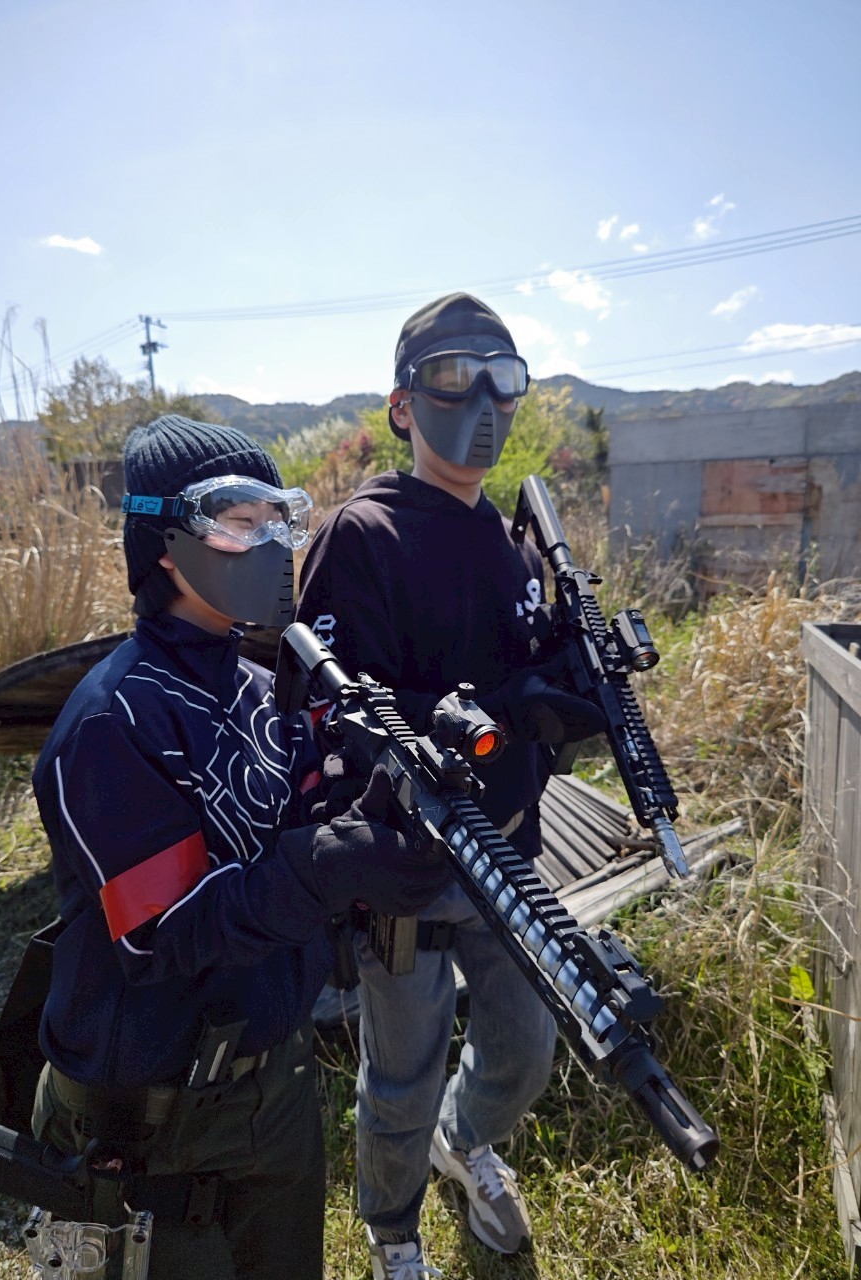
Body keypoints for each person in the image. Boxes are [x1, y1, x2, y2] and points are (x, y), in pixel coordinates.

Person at [28, 415, 451, 1280]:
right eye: (237, 521)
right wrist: (324, 865)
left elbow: (300, 819)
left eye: (276, 521)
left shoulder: (259, 686)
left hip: (273, 1091)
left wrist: (381, 807)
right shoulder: (114, 720)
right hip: (146, 1125)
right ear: (164, 544)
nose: (267, 545)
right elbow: (163, 933)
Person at [296, 294, 605, 1279]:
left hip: (510, 848)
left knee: (526, 1044)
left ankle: (466, 1140)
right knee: (402, 1073)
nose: (482, 403)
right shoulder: (362, 534)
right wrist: (505, 707)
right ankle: (392, 1228)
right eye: (452, 378)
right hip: (410, 863)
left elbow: (530, 680)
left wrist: (572, 694)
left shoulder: (512, 543)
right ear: (402, 405)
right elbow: (340, 709)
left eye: (503, 381)